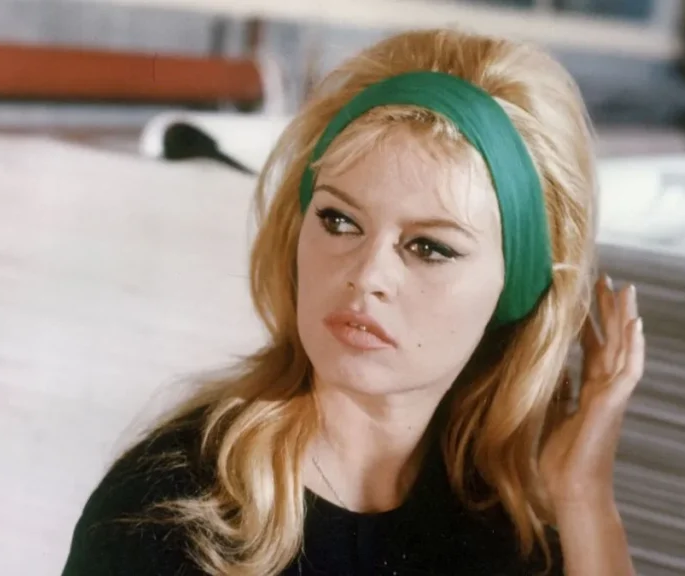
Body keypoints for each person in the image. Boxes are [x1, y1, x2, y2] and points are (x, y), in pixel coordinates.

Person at [62, 28, 644, 576]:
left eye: (429, 247)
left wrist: (585, 497)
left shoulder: (507, 534)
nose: (368, 276)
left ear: (515, 292)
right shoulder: (165, 514)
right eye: (339, 220)